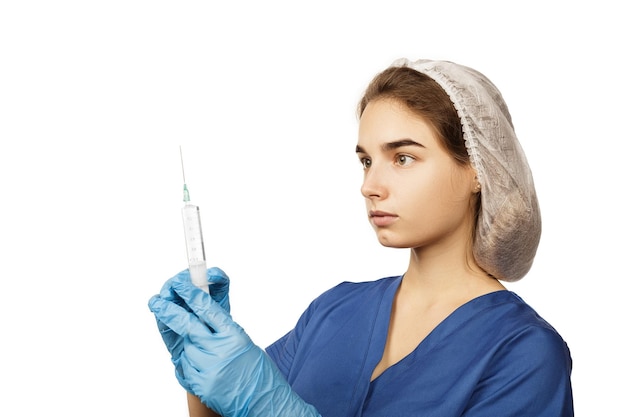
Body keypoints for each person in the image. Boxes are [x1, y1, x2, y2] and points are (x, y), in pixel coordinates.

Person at [148, 58, 574, 416]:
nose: (371, 185)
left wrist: (273, 409)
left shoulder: (524, 352)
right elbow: (238, 408)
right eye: (367, 160)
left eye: (403, 158)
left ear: (478, 169)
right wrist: (200, 357)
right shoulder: (335, 310)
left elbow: (264, 405)